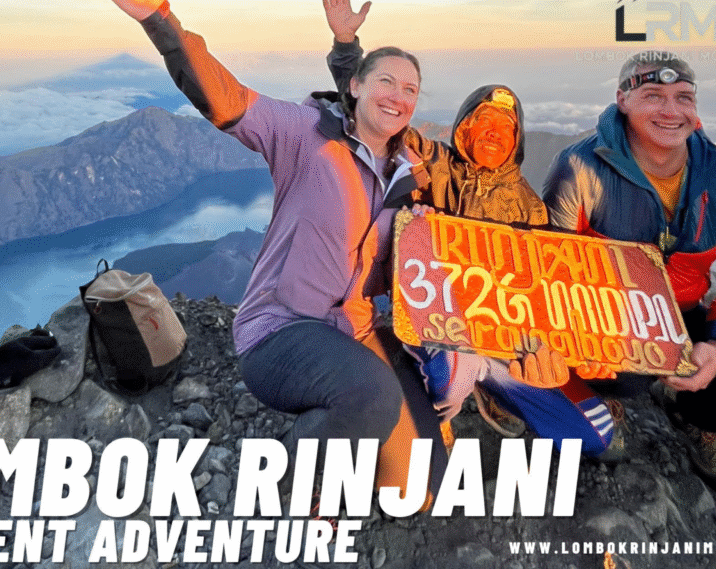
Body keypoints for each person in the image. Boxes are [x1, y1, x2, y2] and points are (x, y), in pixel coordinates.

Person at [111, 0, 448, 507]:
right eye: (386, 82)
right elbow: (227, 99)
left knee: (422, 490)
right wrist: (159, 18)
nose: (398, 97)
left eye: (410, 89)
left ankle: (332, 418)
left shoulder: (412, 174)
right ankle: (299, 476)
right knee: (373, 396)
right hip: (281, 331)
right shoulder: (305, 134)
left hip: (352, 333)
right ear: (355, 86)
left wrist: (416, 242)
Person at [322, 0, 623, 461]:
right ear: (464, 128)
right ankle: (431, 406)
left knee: (598, 439)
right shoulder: (433, 165)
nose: (491, 133)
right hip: (437, 321)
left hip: (501, 341)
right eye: (481, 122)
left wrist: (550, 352)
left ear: (516, 140)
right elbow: (373, 117)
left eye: (504, 126)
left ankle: (488, 384)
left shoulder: (530, 209)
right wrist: (347, 46)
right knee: (447, 374)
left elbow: (544, 294)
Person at [542, 50, 716, 500]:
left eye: (684, 97)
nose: (671, 111)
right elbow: (549, 272)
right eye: (653, 95)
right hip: (606, 318)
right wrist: (581, 342)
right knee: (631, 375)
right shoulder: (580, 168)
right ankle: (607, 395)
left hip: (688, 317)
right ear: (622, 100)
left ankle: (694, 413)